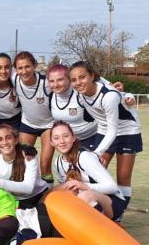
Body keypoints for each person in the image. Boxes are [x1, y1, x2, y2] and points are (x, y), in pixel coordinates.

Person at [69, 61, 142, 207]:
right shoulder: (80, 93)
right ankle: (97, 205)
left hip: (127, 131)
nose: (78, 82)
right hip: (104, 130)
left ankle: (118, 216)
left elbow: (113, 130)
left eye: (82, 77)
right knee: (95, 173)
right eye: (73, 79)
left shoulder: (108, 96)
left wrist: (96, 153)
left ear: (92, 76)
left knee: (123, 177)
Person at [0, 124, 51, 237]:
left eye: (8, 137)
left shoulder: (28, 155)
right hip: (17, 203)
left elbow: (28, 188)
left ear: (16, 139)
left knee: (46, 228)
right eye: (0, 139)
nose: (4, 142)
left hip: (39, 196)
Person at [49, 121, 125, 220]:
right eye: (56, 138)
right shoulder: (58, 162)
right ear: (51, 142)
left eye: (66, 136)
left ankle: (103, 228)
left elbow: (112, 187)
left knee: (85, 196)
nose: (62, 141)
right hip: (84, 200)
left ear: (73, 138)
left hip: (111, 201)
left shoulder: (85, 157)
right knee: (58, 195)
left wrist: (85, 186)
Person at [12, 52, 54, 186]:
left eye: (27, 67)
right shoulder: (14, 79)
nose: (24, 71)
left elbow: (69, 79)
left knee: (45, 163)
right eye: (20, 68)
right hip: (28, 124)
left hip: (48, 126)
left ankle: (48, 193)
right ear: (16, 69)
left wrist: (109, 85)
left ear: (35, 66)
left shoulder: (47, 82)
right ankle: (27, 192)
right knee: (22, 160)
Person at [47, 64, 97, 150]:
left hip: (92, 138)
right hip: (69, 143)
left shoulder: (81, 93)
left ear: (69, 79)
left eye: (60, 80)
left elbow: (98, 83)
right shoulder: (51, 96)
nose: (55, 84)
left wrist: (126, 97)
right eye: (51, 81)